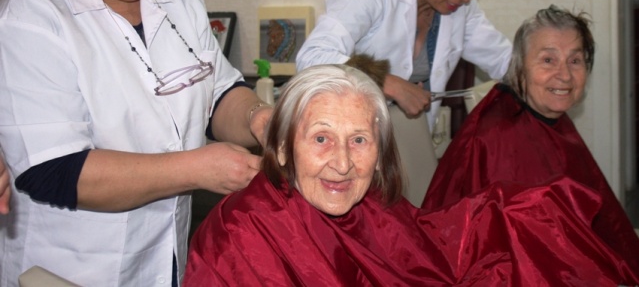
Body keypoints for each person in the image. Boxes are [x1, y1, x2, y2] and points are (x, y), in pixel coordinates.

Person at [0, 0, 272, 285]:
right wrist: (197, 168)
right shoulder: (33, 19)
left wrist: (261, 120)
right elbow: (52, 170)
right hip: (73, 267)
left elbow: (218, 89)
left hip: (164, 252)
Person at [185, 65, 639, 286]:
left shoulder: (372, 204)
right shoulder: (238, 237)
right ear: (282, 146)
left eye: (359, 141)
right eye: (321, 139)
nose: (342, 164)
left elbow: (423, 254)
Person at [296, 0, 512, 204]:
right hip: (348, 151)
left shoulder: (461, 10)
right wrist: (390, 83)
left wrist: (548, 69)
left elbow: (505, 61)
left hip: (408, 146)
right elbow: (313, 56)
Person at [423, 5, 639, 274]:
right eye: (548, 60)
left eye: (575, 61)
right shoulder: (500, 138)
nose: (564, 75)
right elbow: (512, 258)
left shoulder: (549, 117)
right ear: (519, 66)